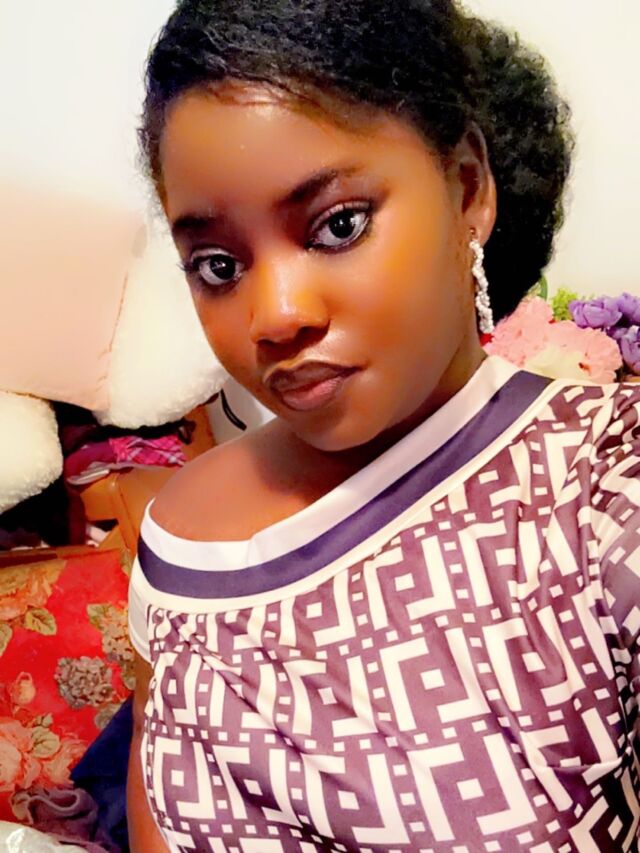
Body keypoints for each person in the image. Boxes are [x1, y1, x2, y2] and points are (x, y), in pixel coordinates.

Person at [126, 1, 640, 850]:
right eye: (218, 264)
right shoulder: (178, 537)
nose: (276, 315)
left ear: (467, 187)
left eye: (339, 225)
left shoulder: (601, 476)